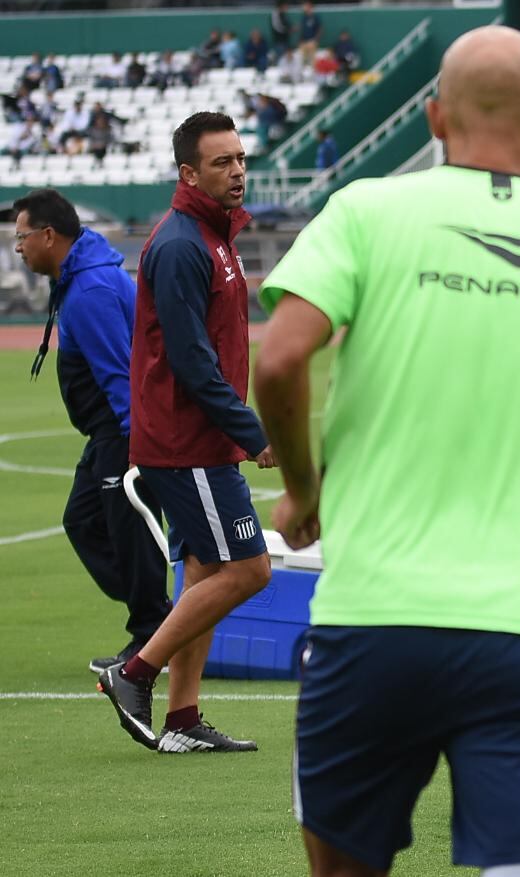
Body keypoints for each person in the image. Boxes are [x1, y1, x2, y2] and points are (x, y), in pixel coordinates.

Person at [251, 25, 520, 877]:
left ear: (433, 115)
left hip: (372, 621)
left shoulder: (367, 210)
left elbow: (277, 358)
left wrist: (303, 490)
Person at [97, 111, 276, 754]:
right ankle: (134, 672)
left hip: (200, 439)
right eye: (222, 162)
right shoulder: (180, 245)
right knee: (250, 570)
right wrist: (253, 432)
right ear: (188, 172)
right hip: (187, 441)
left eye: (240, 159)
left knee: (205, 572)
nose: (236, 171)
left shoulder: (213, 235)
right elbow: (189, 357)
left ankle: (182, 722)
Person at [14, 188, 171, 673]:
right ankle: (168, 621)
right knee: (84, 521)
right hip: (109, 431)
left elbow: (120, 374)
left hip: (122, 432)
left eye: (20, 237)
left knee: (130, 533)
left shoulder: (91, 291)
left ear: (47, 235)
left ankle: (156, 634)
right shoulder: (81, 279)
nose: (17, 247)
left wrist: (136, 446)